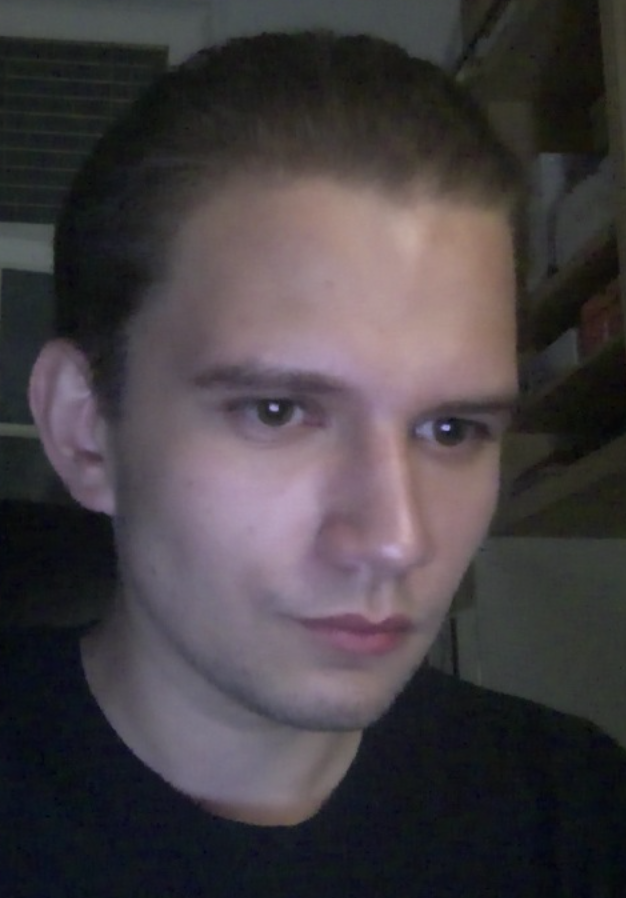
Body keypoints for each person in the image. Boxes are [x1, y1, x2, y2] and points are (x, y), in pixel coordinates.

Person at [1, 29, 624, 897]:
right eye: (277, 412)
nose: (397, 539)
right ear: (83, 432)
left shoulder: (578, 813)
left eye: (451, 430)